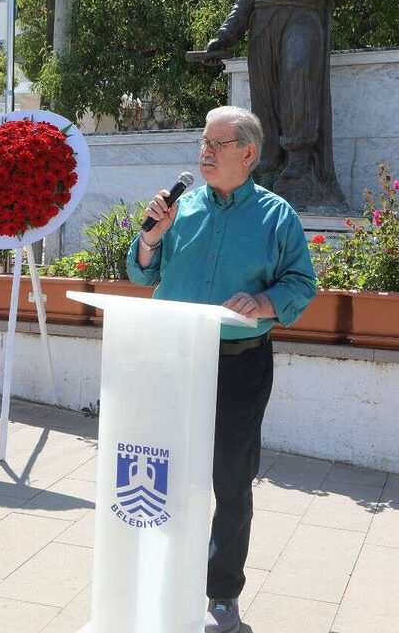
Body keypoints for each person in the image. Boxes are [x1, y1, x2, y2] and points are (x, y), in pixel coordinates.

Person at [127, 105, 317, 632]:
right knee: (161, 473)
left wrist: (264, 303)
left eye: (218, 144)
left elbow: (302, 284)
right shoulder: (179, 209)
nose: (205, 152)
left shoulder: (277, 216)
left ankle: (222, 596)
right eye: (203, 143)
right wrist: (150, 238)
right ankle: (160, 574)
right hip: (172, 361)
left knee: (230, 482)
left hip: (239, 367)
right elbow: (142, 275)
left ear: (249, 154)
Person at [204, 0, 346, 214]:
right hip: (264, 25)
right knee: (264, 96)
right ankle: (267, 165)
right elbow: (243, 4)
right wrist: (224, 35)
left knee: (297, 78)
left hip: (302, 20)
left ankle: (298, 160)